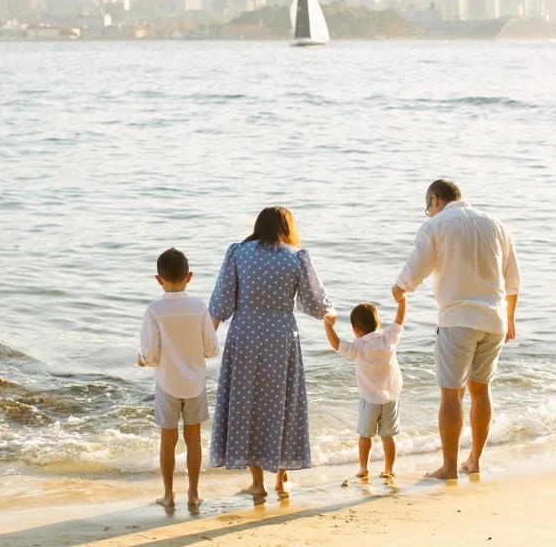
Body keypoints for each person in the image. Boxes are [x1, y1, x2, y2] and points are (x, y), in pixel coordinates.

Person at [391, 179, 521, 480]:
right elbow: (512, 280)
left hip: (458, 320)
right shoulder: (497, 224)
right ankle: (474, 460)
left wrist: (399, 288)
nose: (429, 213)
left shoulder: (436, 226)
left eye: (428, 208)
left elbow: (417, 266)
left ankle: (449, 467)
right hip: (495, 320)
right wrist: (510, 318)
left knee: (451, 394)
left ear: (435, 200)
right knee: (480, 390)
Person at [209, 206, 334, 498]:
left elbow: (222, 303)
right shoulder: (296, 256)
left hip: (246, 335)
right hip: (281, 337)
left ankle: (257, 483)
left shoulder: (238, 253)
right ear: (287, 228)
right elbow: (316, 303)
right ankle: (281, 478)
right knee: (282, 403)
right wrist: (331, 316)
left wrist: (205, 339)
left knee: (247, 404)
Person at [138, 247, 219, 508]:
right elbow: (211, 349)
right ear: (190, 276)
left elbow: (150, 354)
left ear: (158, 279)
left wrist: (143, 360)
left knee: (168, 439)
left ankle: (168, 495)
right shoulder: (198, 307)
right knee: (193, 437)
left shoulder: (154, 309)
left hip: (166, 382)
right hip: (195, 382)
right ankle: (194, 494)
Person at [323, 299, 406, 480]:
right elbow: (399, 320)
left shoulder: (358, 347)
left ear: (355, 330)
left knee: (365, 436)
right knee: (388, 437)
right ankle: (389, 468)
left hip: (369, 400)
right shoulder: (388, 339)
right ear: (379, 323)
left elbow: (336, 344)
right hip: (391, 398)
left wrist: (328, 325)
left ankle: (363, 468)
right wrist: (402, 300)